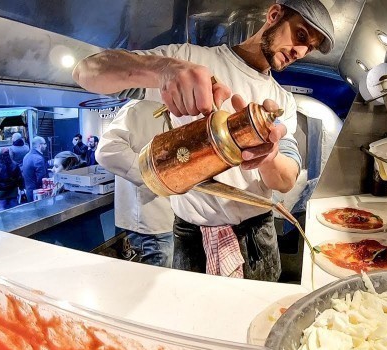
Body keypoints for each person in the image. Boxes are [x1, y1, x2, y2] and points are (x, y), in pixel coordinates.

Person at [74, 0, 334, 281]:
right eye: (301, 35)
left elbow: (284, 181)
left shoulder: (282, 101)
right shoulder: (189, 59)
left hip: (256, 235)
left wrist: (269, 156)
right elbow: (86, 73)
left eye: (309, 47)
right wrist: (162, 69)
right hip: (191, 234)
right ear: (274, 15)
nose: (300, 51)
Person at [104, 101, 175, 268]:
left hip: (171, 217)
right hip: (151, 220)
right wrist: (153, 178)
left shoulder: (176, 111)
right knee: (157, 285)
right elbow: (107, 151)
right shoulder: (137, 109)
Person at [21, 136, 48, 202]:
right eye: (44, 144)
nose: (46, 146)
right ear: (39, 145)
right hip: (38, 193)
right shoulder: (38, 159)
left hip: (29, 191)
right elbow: (41, 179)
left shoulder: (26, 156)